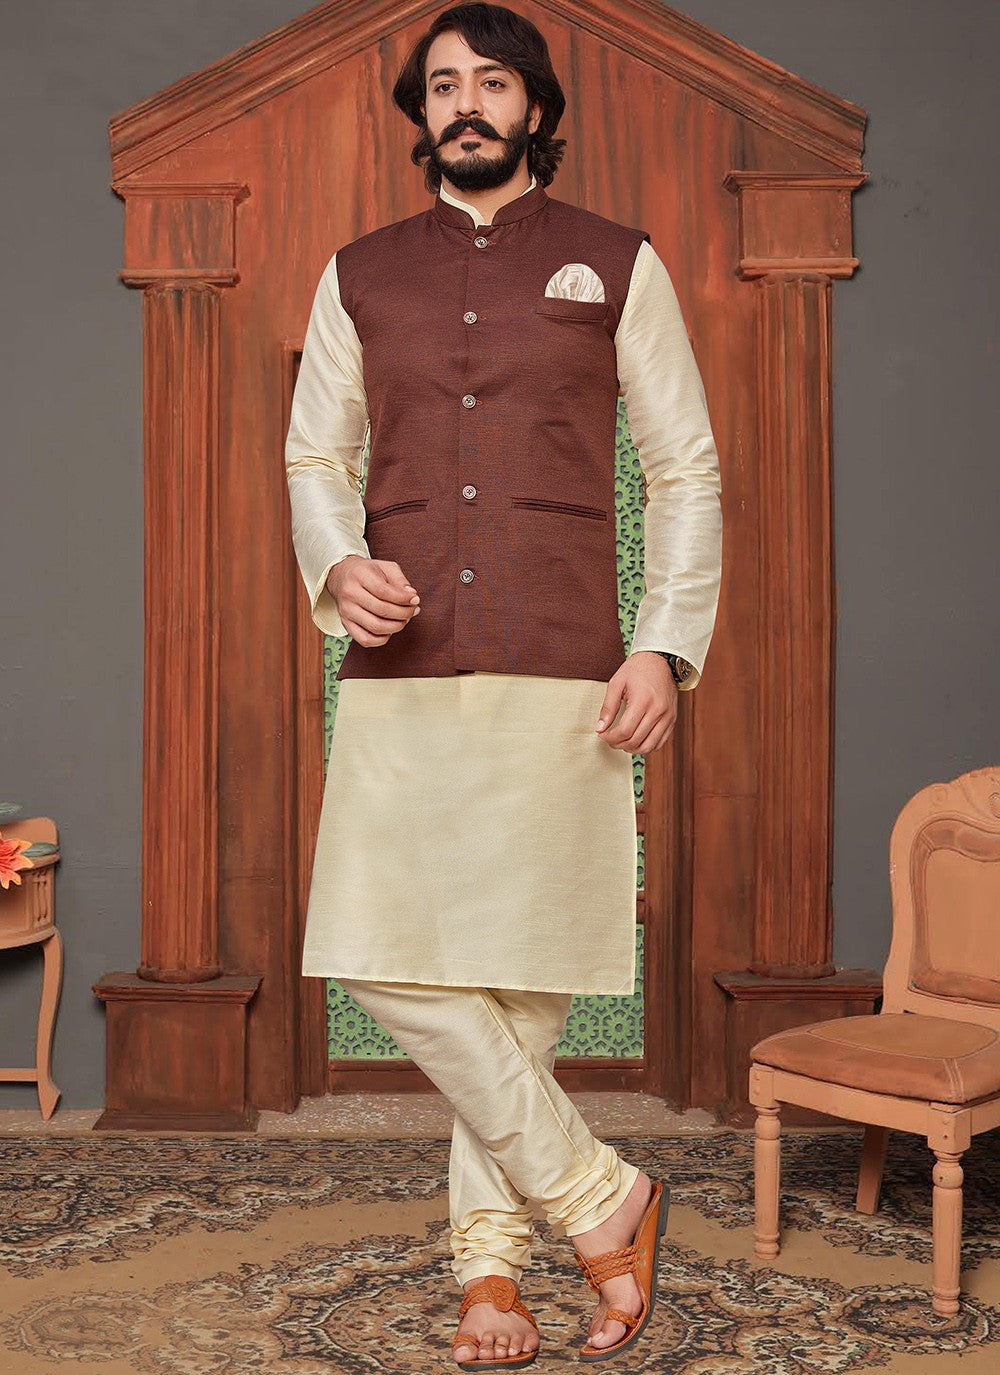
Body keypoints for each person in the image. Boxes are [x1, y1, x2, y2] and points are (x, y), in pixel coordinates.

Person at [284, 3, 722, 1366]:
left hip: (564, 660)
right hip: (402, 666)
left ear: (534, 105)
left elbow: (683, 466)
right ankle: (602, 1197)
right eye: (441, 87)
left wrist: (664, 644)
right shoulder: (359, 274)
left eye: (490, 83)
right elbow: (315, 458)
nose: (464, 104)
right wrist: (336, 561)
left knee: (516, 982)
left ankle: (492, 1277)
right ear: (420, 117)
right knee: (377, 950)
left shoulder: (619, 263)